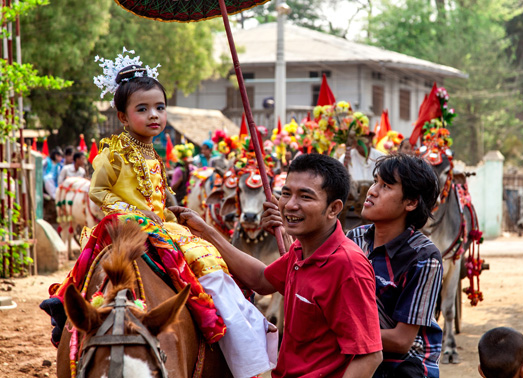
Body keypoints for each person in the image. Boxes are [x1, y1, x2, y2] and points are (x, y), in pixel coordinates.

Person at [42, 50, 276, 378]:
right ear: (123, 117)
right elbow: (98, 192)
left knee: (211, 265)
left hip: (161, 225)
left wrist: (172, 208)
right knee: (85, 275)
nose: (154, 115)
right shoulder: (114, 154)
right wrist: (133, 211)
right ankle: (65, 312)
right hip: (123, 223)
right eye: (143, 109)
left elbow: (158, 195)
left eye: (160, 107)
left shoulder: (153, 154)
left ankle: (239, 341)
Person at [172, 153, 384, 377]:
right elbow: (262, 280)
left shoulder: (347, 266)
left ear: (333, 209)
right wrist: (206, 232)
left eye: (305, 197)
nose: (290, 205)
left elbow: (369, 356)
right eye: (286, 194)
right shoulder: (301, 249)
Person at [346, 154, 443, 378]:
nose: (372, 191)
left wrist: (338, 332)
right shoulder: (354, 240)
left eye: (386, 186)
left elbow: (401, 341)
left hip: (403, 363)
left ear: (410, 203)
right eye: (375, 182)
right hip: (358, 353)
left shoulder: (424, 257)